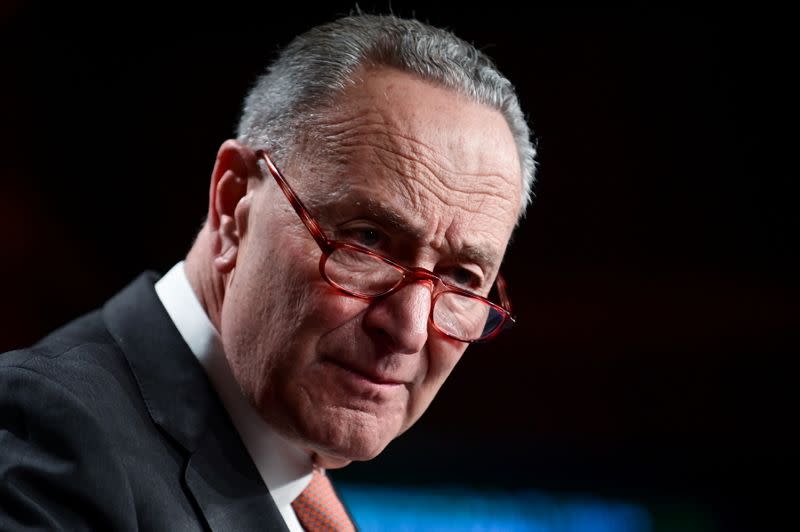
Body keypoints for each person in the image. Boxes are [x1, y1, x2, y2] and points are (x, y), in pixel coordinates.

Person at [0, 13, 536, 532]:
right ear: (234, 204)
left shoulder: (293, 467)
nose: (410, 329)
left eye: (463, 278)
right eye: (367, 239)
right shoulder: (44, 441)